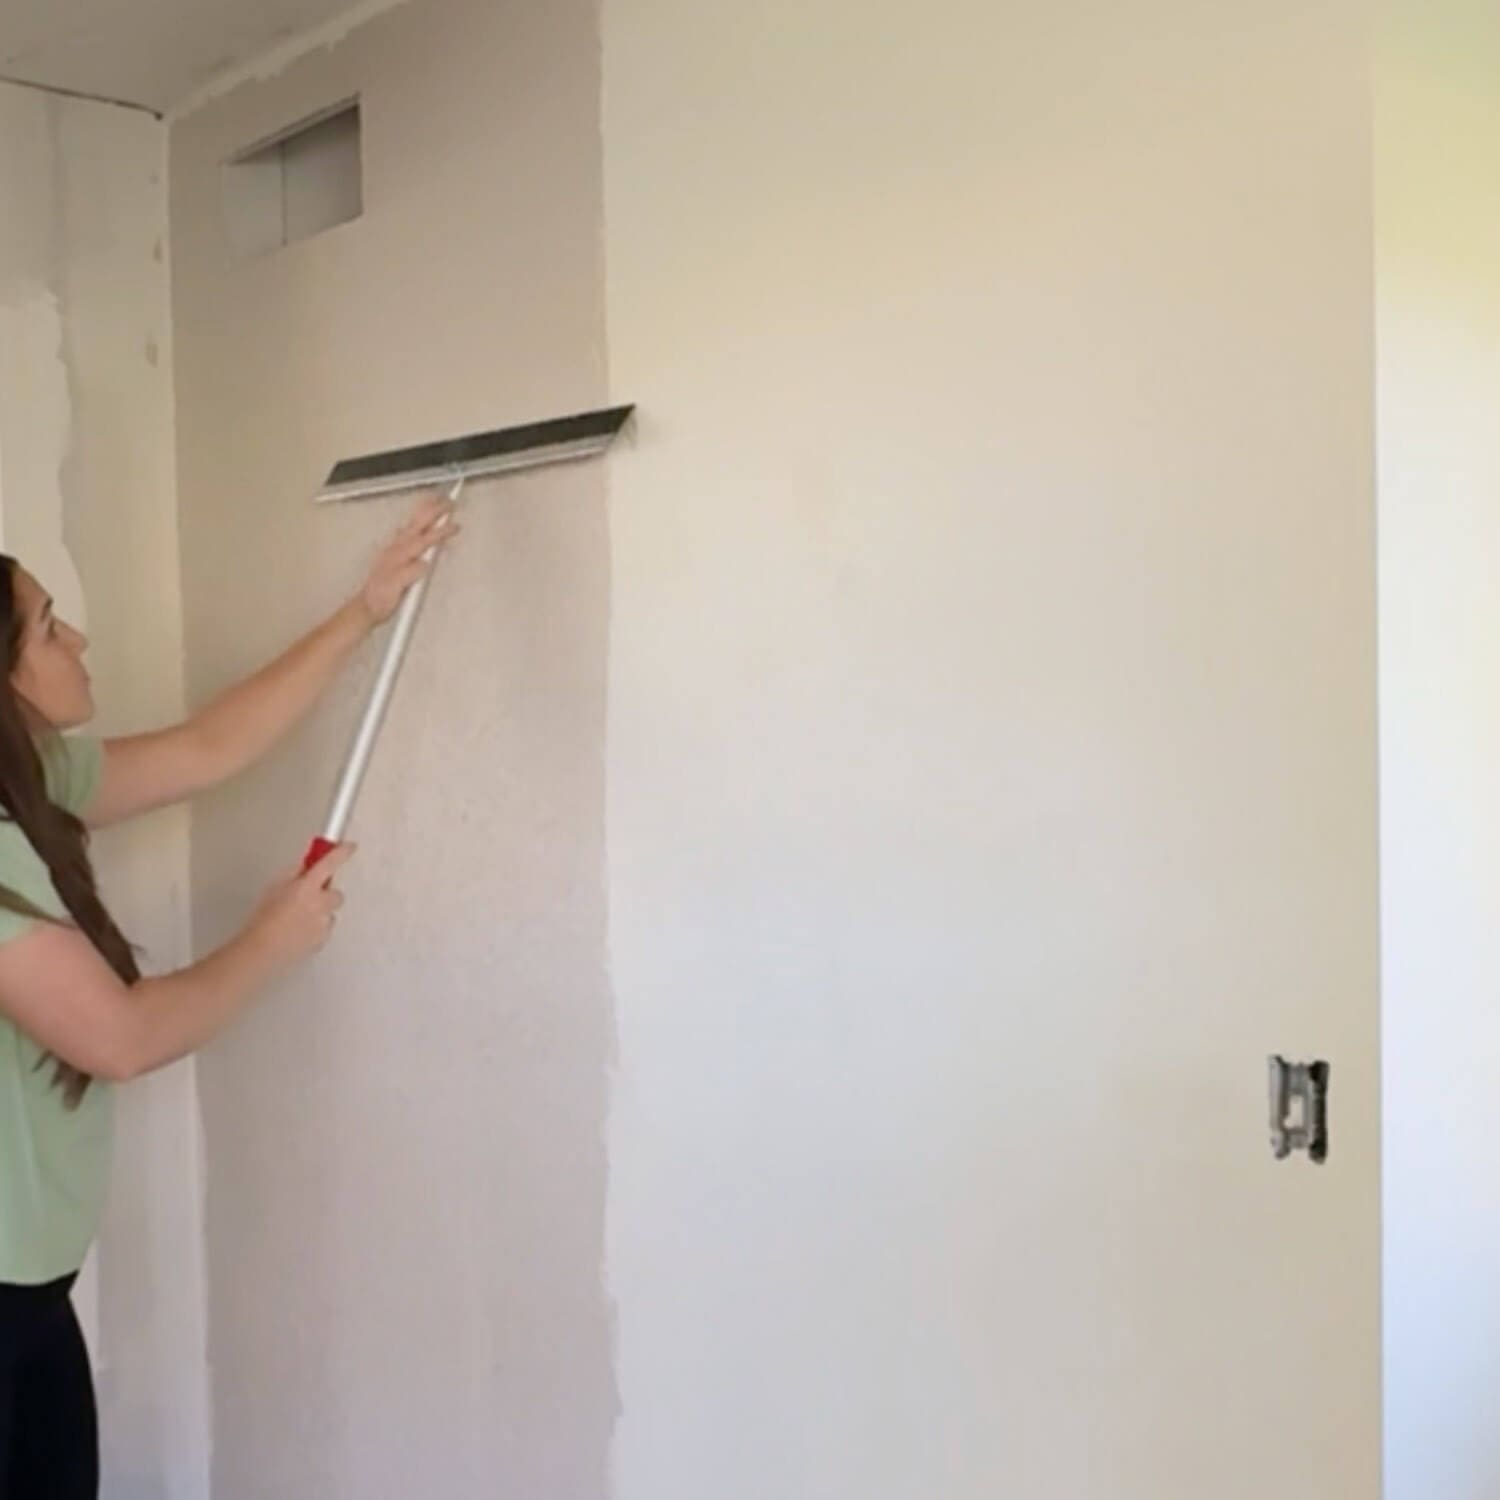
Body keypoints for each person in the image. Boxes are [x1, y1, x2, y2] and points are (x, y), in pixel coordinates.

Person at [0, 494, 456, 1499]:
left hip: (29, 1297)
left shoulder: (26, 785)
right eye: (43, 627)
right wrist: (270, 941)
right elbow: (117, 1038)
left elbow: (207, 749)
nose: (75, 636)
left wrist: (366, 609)